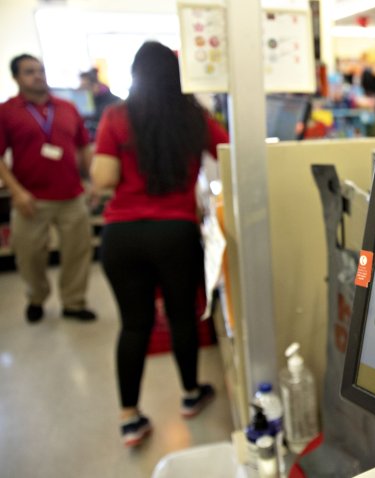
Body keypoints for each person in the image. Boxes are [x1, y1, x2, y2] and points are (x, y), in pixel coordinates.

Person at [90, 41, 229, 447]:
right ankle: (190, 394)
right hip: (176, 232)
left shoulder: (115, 116)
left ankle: (130, 417)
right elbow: (229, 152)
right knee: (182, 315)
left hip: (123, 236)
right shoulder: (194, 117)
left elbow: (103, 179)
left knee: (134, 324)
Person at [0, 54, 96, 323]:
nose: (38, 76)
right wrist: (16, 192)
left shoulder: (67, 108)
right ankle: (37, 297)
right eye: (30, 71)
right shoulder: (7, 111)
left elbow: (83, 146)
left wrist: (92, 180)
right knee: (28, 256)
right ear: (17, 78)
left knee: (78, 253)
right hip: (30, 199)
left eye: (41, 70)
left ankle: (74, 302)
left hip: (71, 195)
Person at [79, 68, 120, 140]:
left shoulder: (113, 102)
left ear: (95, 85)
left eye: (85, 87)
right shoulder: (92, 99)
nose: (82, 90)